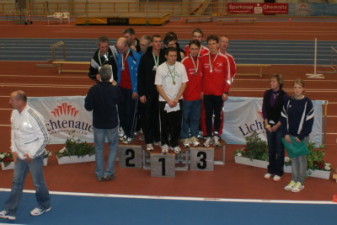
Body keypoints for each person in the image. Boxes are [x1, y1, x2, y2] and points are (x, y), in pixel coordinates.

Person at [0, 90, 51, 221]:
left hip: (33, 157)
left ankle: (45, 205)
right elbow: (14, 132)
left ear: (19, 101)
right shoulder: (14, 113)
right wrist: (13, 150)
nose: (9, 102)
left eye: (11, 100)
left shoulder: (34, 116)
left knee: (38, 183)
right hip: (19, 155)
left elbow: (45, 137)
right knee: (16, 182)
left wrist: (32, 154)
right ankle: (10, 210)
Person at [85, 65, 122, 181]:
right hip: (111, 122)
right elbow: (121, 102)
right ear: (111, 76)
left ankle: (99, 173)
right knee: (113, 147)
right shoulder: (115, 89)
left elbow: (88, 107)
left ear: (99, 77)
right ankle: (109, 172)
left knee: (99, 148)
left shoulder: (93, 90)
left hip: (98, 123)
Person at [281, 79, 314, 193]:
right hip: (290, 136)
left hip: (301, 137)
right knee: (294, 159)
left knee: (301, 159)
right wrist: (285, 133)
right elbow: (283, 118)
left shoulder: (307, 103)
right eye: (295, 87)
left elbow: (309, 122)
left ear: (303, 89)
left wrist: (301, 136)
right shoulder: (288, 101)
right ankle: (294, 180)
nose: (297, 90)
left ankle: (300, 182)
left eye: (299, 87)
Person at [155, 47, 188, 154]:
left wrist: (176, 98)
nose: (174, 58)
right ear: (166, 56)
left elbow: (184, 83)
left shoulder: (181, 66)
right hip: (164, 101)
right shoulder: (160, 68)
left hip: (178, 100)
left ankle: (174, 144)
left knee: (177, 124)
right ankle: (164, 143)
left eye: (175, 56)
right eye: (171, 56)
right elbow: (158, 86)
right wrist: (168, 100)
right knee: (164, 124)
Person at [201, 35, 230, 147]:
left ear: (218, 44)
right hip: (207, 93)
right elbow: (201, 76)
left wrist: (225, 91)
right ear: (207, 45)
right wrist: (202, 91)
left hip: (219, 93)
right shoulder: (203, 58)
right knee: (207, 115)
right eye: (210, 44)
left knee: (218, 115)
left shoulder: (224, 58)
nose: (212, 46)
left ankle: (216, 135)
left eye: (214, 43)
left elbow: (227, 77)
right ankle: (208, 136)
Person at [138, 34, 165, 151]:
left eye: (160, 41)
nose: (158, 43)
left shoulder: (164, 57)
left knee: (158, 117)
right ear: (152, 44)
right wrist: (142, 93)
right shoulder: (145, 57)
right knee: (147, 117)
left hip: (161, 92)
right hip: (148, 93)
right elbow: (141, 77)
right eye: (155, 41)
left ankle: (157, 138)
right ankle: (148, 140)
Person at [262, 74, 288, 182]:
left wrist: (277, 125)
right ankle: (270, 170)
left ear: (279, 83)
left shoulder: (284, 96)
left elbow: (285, 113)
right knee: (271, 148)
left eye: (273, 81)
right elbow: (264, 109)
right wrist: (267, 123)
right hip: (269, 126)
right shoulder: (267, 93)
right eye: (270, 81)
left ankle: (279, 171)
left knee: (279, 149)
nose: (271, 83)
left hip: (279, 126)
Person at [116, 37, 141, 143]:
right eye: (118, 49)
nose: (119, 51)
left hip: (132, 90)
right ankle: (125, 131)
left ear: (126, 46)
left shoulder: (136, 57)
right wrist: (117, 84)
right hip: (121, 88)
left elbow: (139, 75)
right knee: (122, 112)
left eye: (121, 49)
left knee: (131, 113)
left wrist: (136, 90)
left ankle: (130, 134)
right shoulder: (119, 56)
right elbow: (118, 71)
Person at [181, 40, 203, 147]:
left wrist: (202, 91)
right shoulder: (184, 61)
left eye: (196, 49)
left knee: (195, 117)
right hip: (187, 96)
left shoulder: (201, 60)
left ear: (199, 49)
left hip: (198, 96)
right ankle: (185, 137)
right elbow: (181, 79)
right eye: (192, 49)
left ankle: (194, 135)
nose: (194, 51)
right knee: (185, 117)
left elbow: (204, 79)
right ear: (189, 49)